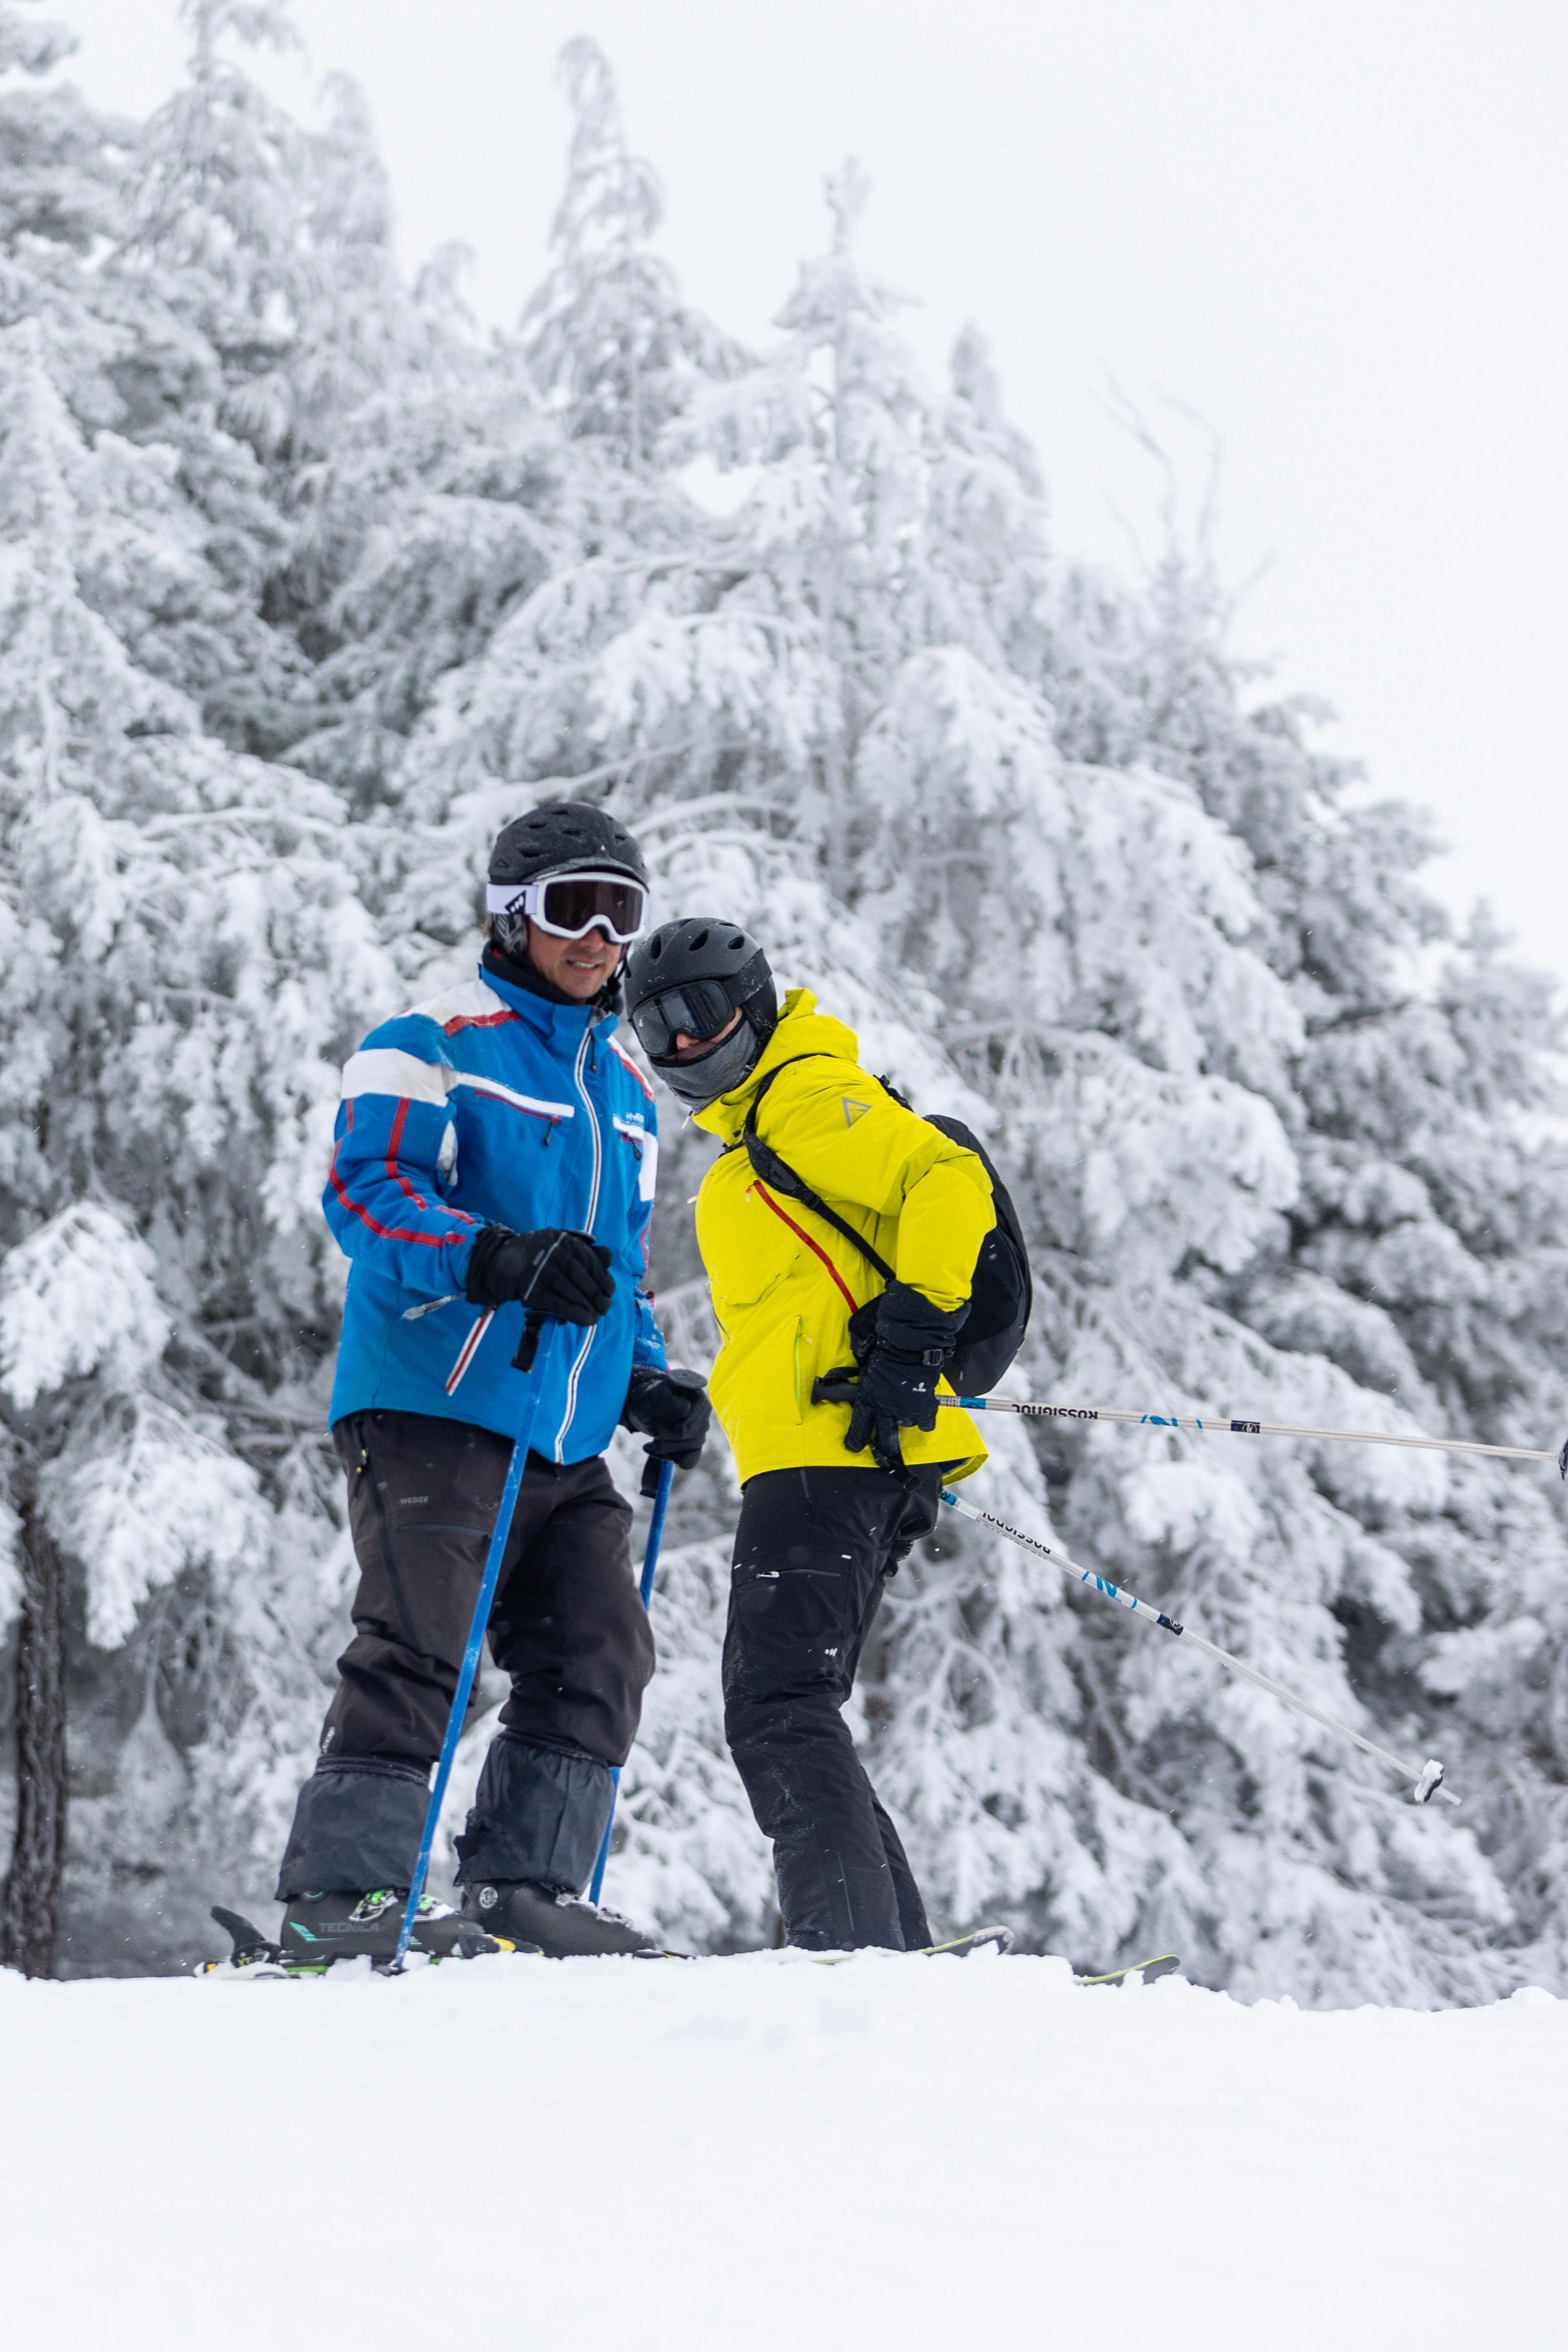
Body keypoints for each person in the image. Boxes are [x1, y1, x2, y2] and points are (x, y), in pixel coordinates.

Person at [273, 804, 711, 1963]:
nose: (601, 935)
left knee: (598, 1648)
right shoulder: (427, 1040)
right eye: (575, 906)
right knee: (425, 1642)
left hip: (561, 1428)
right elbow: (367, 1193)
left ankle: (524, 1887)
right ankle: (342, 1900)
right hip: (434, 1397)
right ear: (512, 913)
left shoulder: (622, 1087)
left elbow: (618, 1263)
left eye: (624, 910)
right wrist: (492, 1257)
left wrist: (647, 1382)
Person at [624, 919, 994, 1953]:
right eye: (656, 1029)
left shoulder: (805, 1096)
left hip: (836, 1451)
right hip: (817, 1450)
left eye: (699, 1014)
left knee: (778, 1706)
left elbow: (945, 1183)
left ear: (754, 1000)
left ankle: (853, 1951)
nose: (684, 1046)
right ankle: (884, 1948)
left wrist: (914, 1341)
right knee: (792, 1703)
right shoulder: (757, 1137)